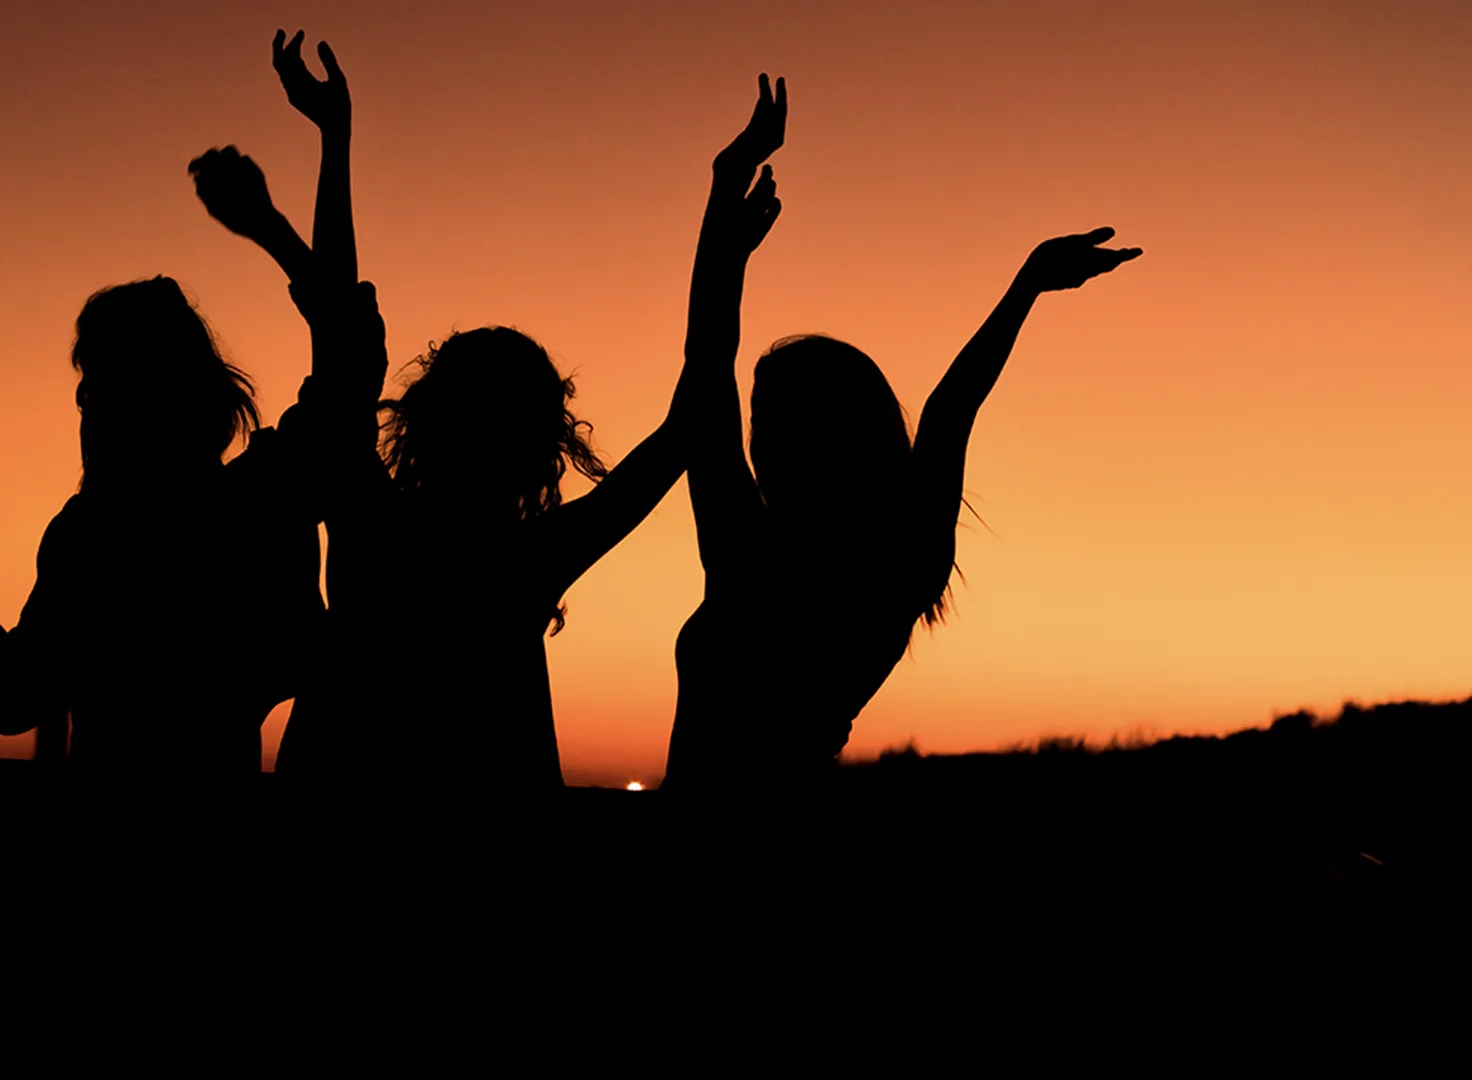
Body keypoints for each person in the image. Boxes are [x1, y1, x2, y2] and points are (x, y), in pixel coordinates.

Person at [0, 33, 384, 794]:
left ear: (128, 404)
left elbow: (15, 695)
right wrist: (302, 181)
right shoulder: (251, 506)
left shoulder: (94, 538)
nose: (81, 406)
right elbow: (348, 363)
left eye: (95, 386)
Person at [266, 76, 790, 791]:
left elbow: (338, 332)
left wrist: (334, 138)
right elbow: (694, 409)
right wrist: (723, 235)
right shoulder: (527, 561)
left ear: (425, 418)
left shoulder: (371, 522)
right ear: (543, 448)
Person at [663, 112, 1142, 790]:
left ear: (808, 438)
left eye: (767, 421)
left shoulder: (749, 550)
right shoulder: (900, 560)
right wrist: (1026, 286)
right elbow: (951, 410)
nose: (754, 439)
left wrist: (724, 210)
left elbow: (707, 360)